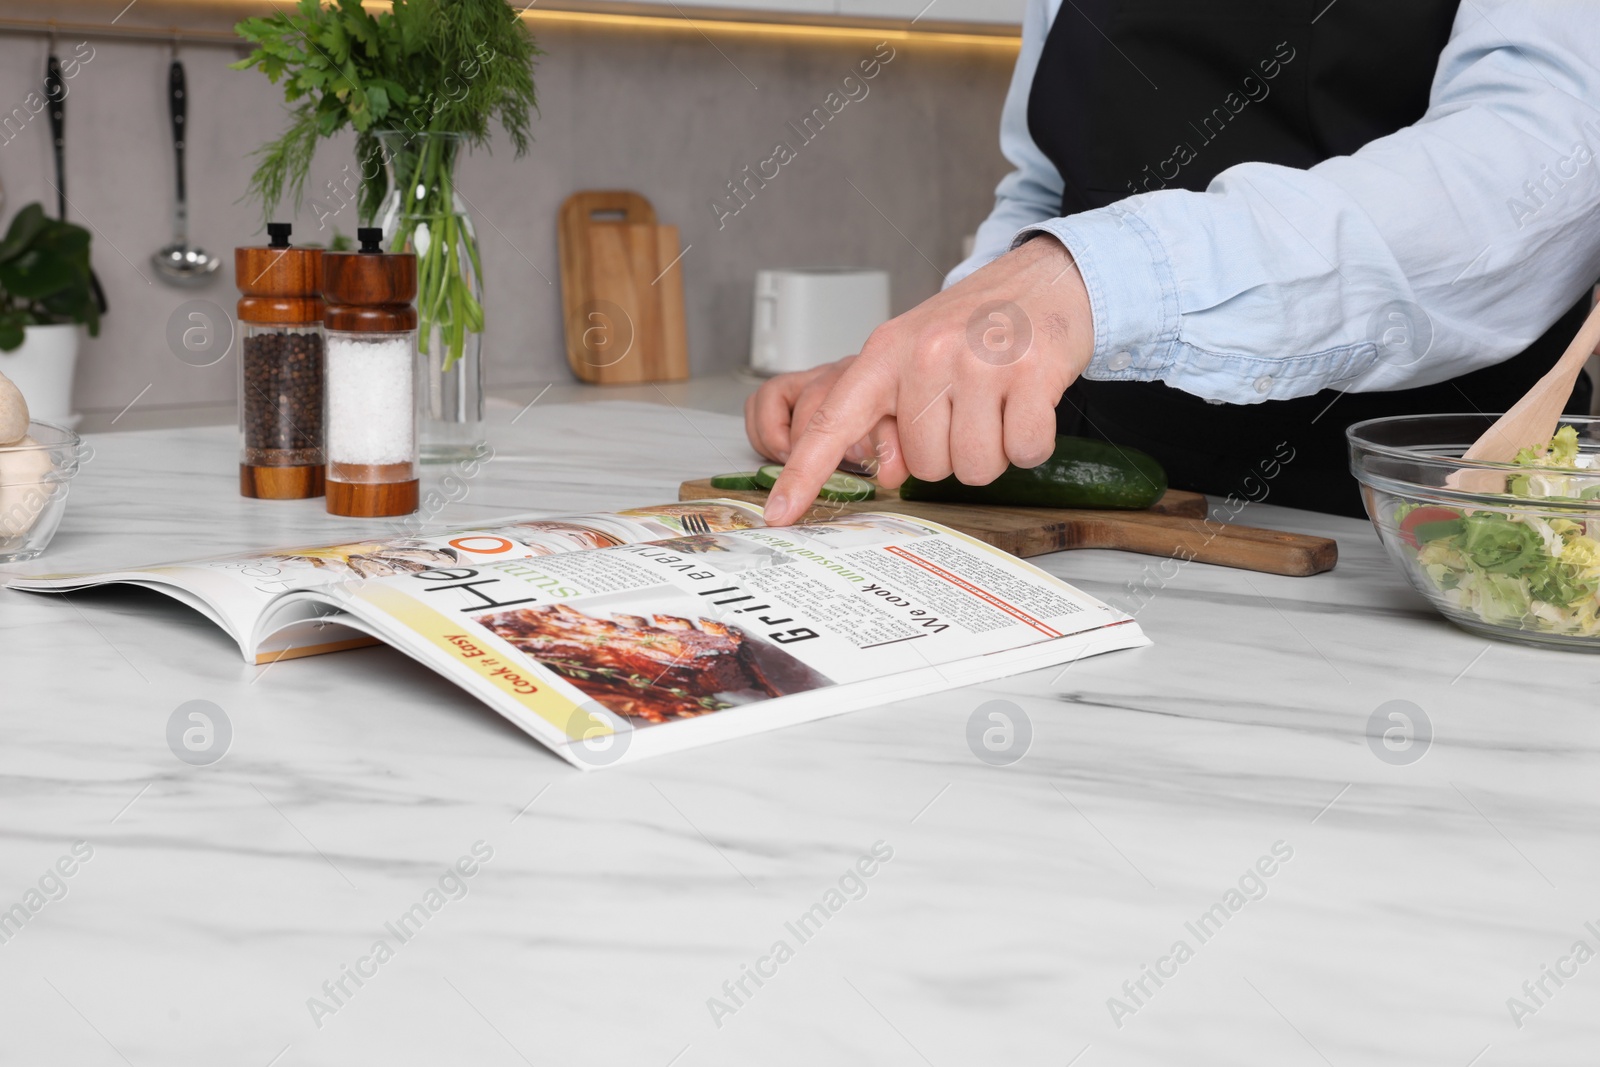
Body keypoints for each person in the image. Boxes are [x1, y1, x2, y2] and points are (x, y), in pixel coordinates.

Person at [748, 0, 1600, 525]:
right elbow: (1049, 180)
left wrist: (1097, 283)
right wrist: (932, 367)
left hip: (1394, 535)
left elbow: (1535, 172)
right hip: (1068, 511)